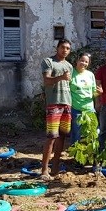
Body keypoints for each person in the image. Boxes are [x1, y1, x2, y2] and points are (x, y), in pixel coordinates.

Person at [40, 39, 73, 180]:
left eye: (67, 48)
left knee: (62, 136)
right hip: (54, 103)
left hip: (67, 103)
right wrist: (61, 77)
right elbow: (47, 80)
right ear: (57, 48)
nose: (65, 50)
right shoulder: (48, 62)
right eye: (62, 47)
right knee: (51, 137)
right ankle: (44, 171)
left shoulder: (69, 66)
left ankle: (55, 168)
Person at [70, 52, 101, 144]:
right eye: (82, 60)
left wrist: (99, 93)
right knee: (77, 134)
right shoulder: (71, 73)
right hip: (76, 109)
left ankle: (89, 154)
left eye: (86, 62)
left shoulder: (90, 74)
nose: (84, 63)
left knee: (94, 132)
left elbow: (93, 93)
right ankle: (76, 155)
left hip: (89, 109)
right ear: (77, 61)